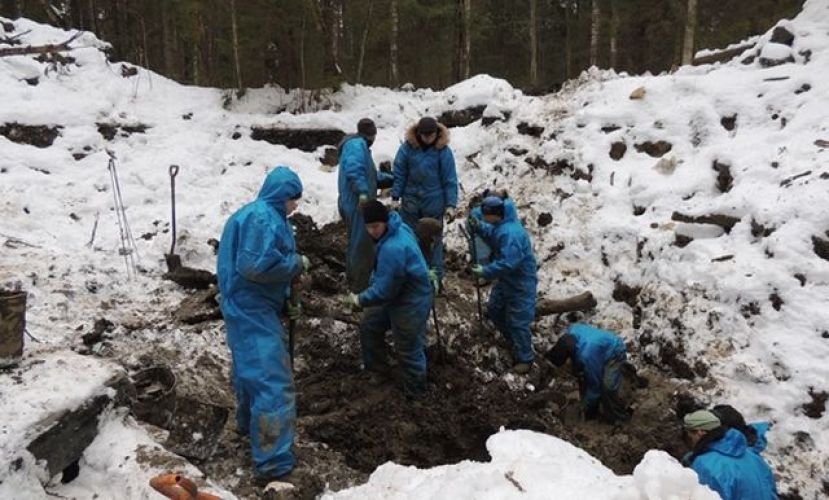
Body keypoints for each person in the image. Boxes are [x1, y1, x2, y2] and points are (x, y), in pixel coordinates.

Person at [216, 166, 310, 483]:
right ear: (282, 195)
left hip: (249, 305)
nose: (295, 206)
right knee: (272, 382)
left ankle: (247, 426)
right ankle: (274, 463)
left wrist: (284, 301)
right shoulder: (263, 217)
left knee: (249, 371)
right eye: (293, 200)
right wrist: (295, 265)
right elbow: (255, 266)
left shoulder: (256, 214)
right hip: (251, 308)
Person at [343, 201, 433, 398]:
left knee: (408, 347)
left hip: (411, 300)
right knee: (369, 325)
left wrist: (359, 299)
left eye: (376, 226)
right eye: (369, 227)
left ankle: (416, 392)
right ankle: (377, 370)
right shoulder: (398, 228)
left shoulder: (394, 247)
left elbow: (385, 290)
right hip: (396, 294)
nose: (372, 231)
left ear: (384, 222)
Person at [467, 196, 537, 374]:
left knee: (518, 321)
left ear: (494, 215)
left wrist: (485, 271)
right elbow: (492, 234)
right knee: (495, 308)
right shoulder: (501, 225)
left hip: (520, 282)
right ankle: (511, 338)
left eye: (485, 216)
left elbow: (509, 263)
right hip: (506, 280)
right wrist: (479, 228)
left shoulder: (511, 234)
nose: (483, 218)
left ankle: (525, 358)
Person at [391, 116, 458, 287]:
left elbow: (449, 179)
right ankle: (413, 276)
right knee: (409, 237)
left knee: (433, 240)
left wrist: (451, 204)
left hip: (434, 201)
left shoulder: (443, 152)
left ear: (437, 133)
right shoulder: (407, 149)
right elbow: (400, 173)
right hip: (411, 201)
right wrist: (395, 197)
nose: (427, 138)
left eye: (431, 134)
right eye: (424, 135)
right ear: (418, 134)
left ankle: (435, 278)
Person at [337, 118, 394, 292]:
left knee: (358, 243)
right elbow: (354, 169)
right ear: (372, 134)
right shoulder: (356, 145)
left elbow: (371, 176)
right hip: (356, 203)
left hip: (356, 201)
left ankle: (357, 281)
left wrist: (392, 179)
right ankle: (358, 288)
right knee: (361, 245)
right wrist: (362, 192)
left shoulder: (360, 146)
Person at [682, 410, 777, 500]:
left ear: (700, 432)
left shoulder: (704, 465)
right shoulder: (754, 457)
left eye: (689, 434)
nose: (689, 440)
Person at [545, 323, 630, 423]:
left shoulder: (587, 356)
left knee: (607, 387)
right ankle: (592, 408)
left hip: (614, 351)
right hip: (597, 346)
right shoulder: (572, 331)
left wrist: (585, 405)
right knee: (582, 374)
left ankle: (618, 417)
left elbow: (595, 385)